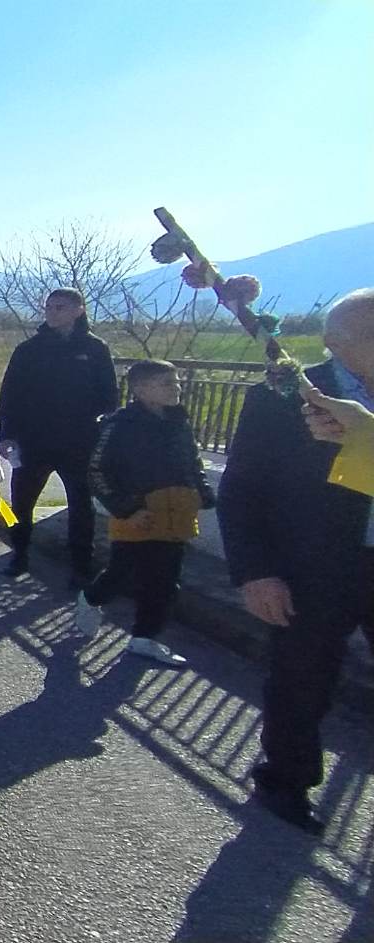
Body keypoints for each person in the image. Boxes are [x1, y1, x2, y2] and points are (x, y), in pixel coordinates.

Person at [218, 288, 374, 833]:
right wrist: (256, 572)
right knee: (303, 678)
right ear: (333, 344)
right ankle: (285, 779)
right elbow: (242, 488)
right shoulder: (287, 393)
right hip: (314, 565)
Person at [71, 360, 207, 666]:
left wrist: (201, 491)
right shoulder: (120, 425)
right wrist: (127, 509)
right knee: (123, 573)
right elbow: (97, 472)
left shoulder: (179, 423)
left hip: (176, 514)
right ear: (140, 389)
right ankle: (91, 598)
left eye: (176, 382)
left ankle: (144, 637)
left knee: (165, 581)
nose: (176, 389)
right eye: (166, 383)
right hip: (138, 513)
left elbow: (193, 461)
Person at [0, 288, 119, 584]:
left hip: (78, 441)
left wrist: (97, 425)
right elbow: (10, 393)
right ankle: (20, 555)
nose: (52, 312)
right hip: (34, 440)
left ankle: (80, 567)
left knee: (81, 505)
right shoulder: (30, 349)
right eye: (49, 307)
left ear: (79, 310)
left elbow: (109, 396)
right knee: (22, 503)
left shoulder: (95, 349)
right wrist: (8, 434)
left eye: (60, 307)